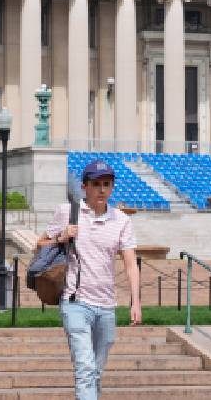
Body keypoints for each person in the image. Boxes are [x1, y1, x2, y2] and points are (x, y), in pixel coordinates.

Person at [45, 159, 141, 400]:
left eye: (106, 184)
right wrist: (61, 236)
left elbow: (131, 264)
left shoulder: (121, 220)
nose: (101, 190)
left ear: (112, 187)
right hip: (76, 302)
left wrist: (136, 302)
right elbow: (39, 244)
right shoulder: (68, 212)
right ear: (84, 186)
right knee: (85, 368)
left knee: (96, 370)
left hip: (107, 306)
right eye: (96, 184)